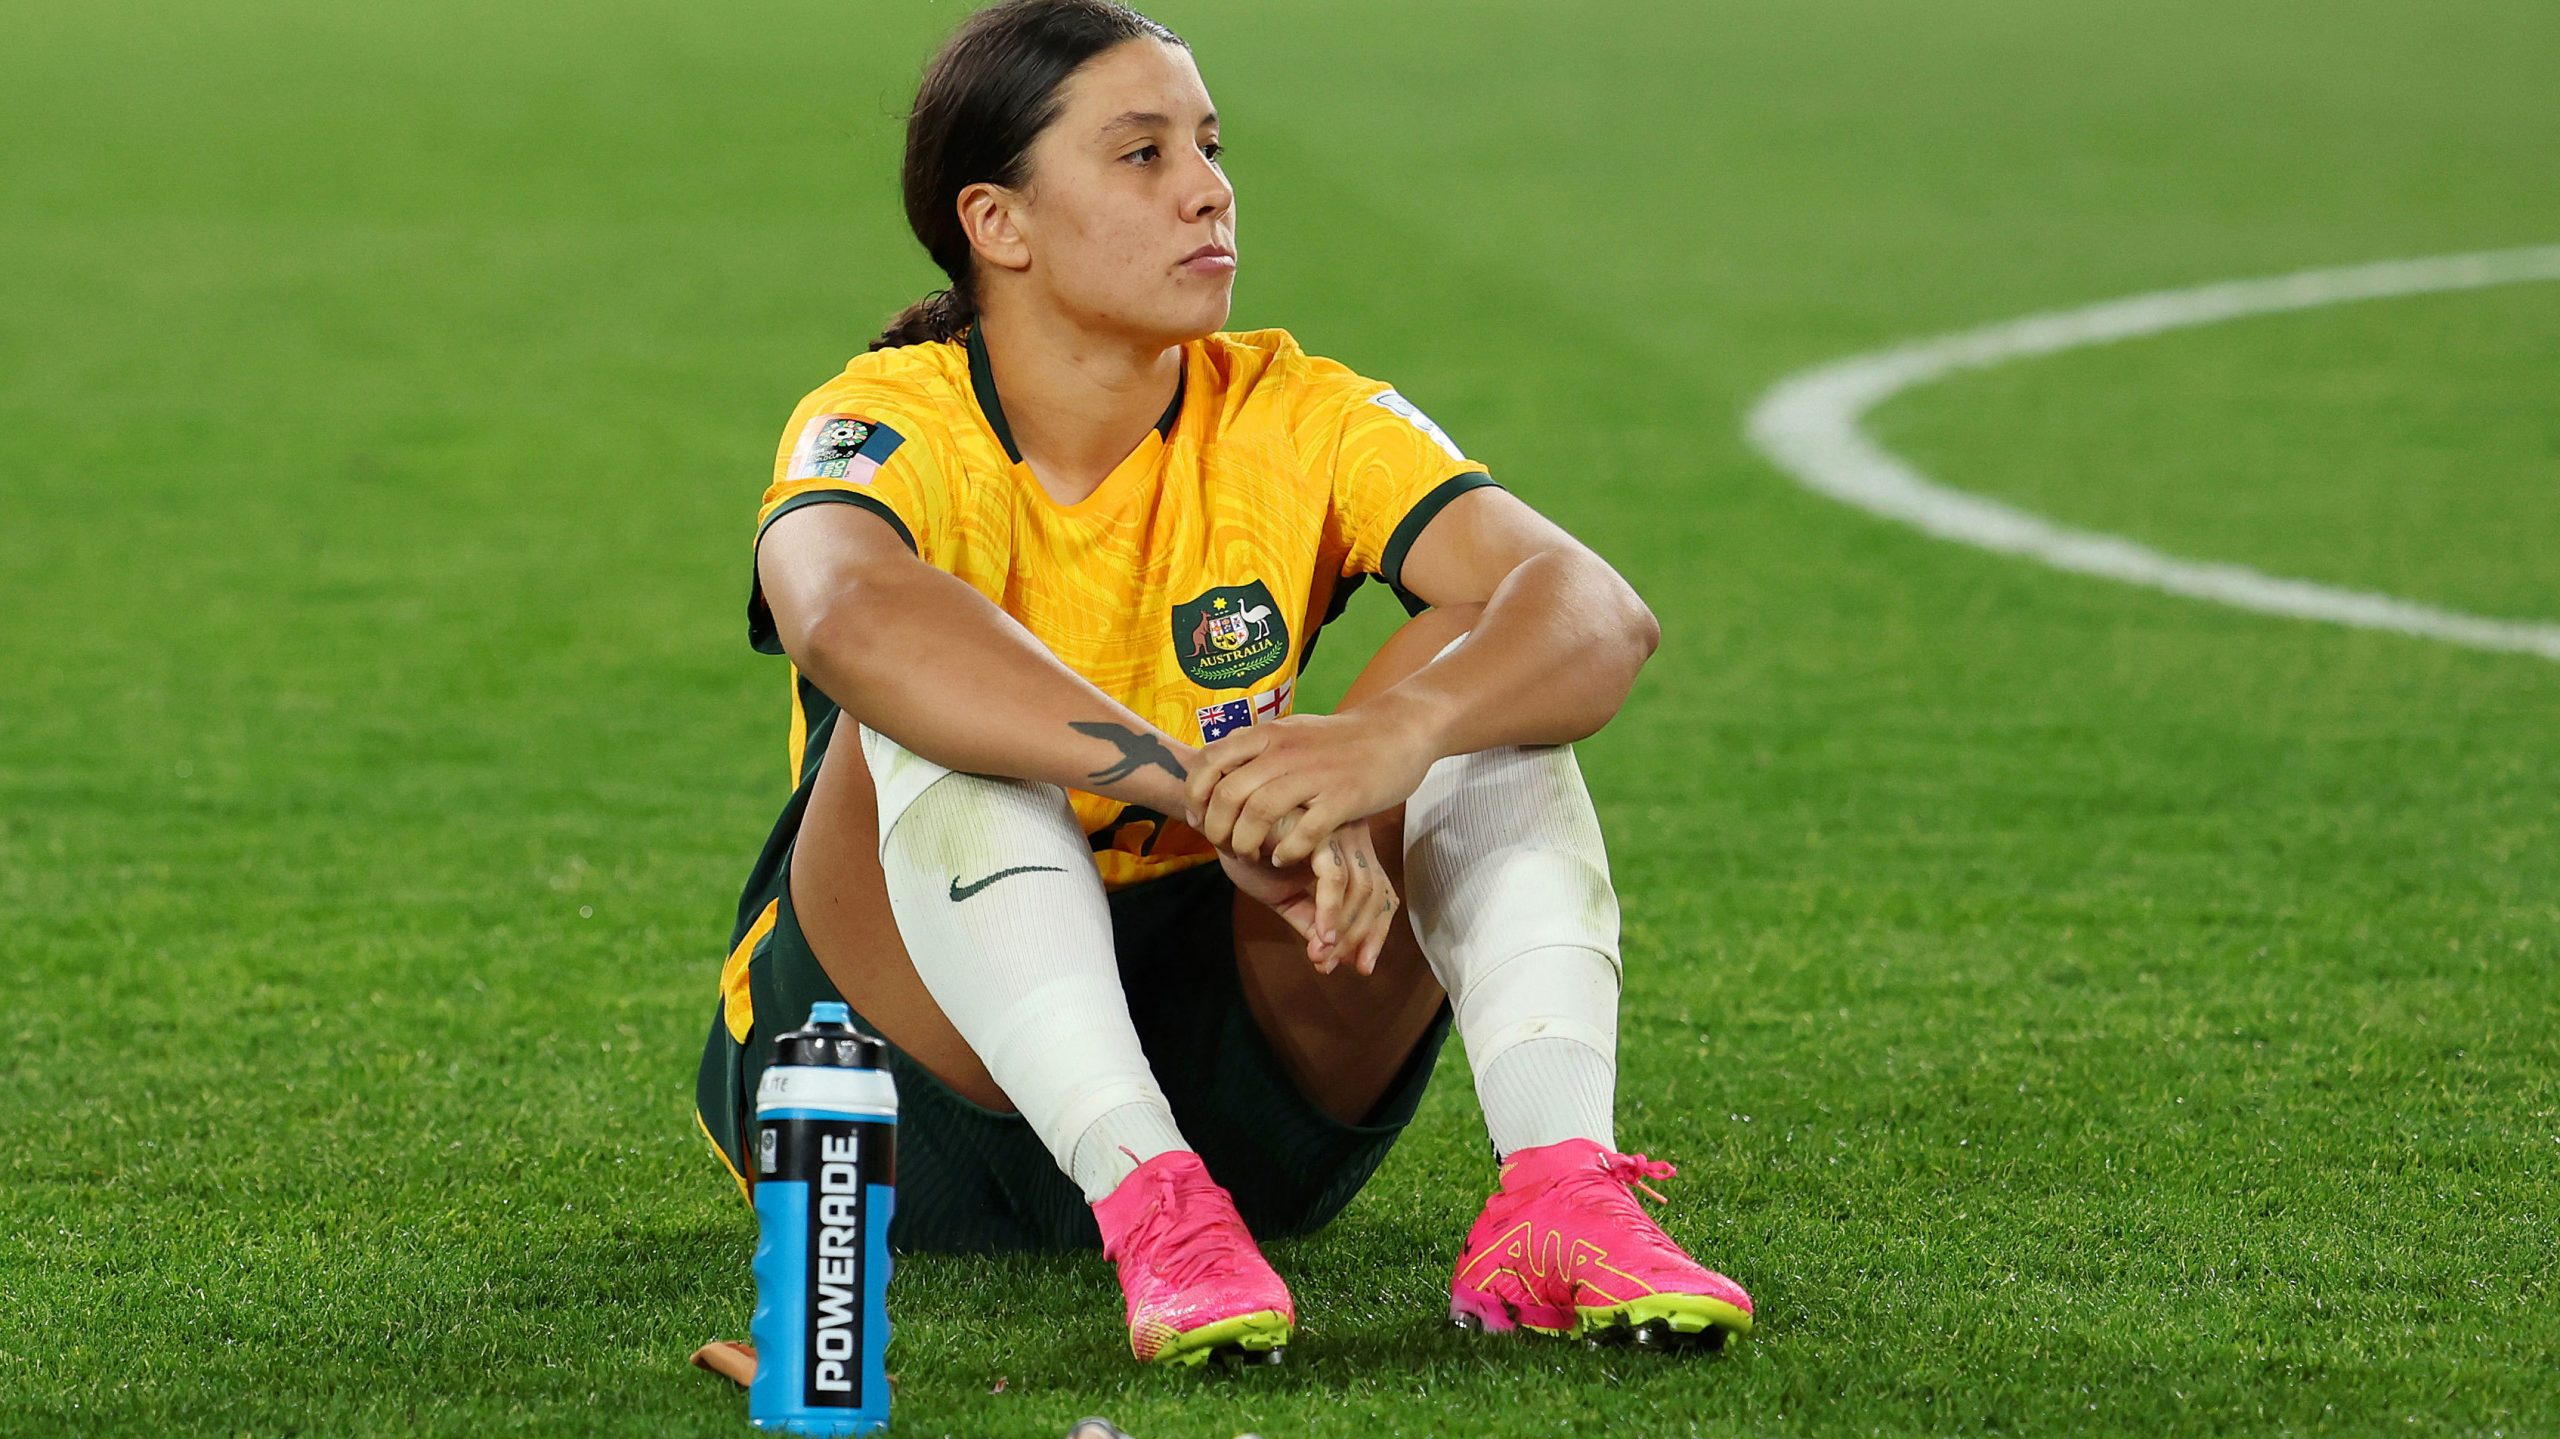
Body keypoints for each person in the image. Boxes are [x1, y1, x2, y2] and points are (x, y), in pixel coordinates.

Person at [693, 0, 1752, 1367]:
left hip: (1240, 1071)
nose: (1208, 190)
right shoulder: (886, 419)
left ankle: (1560, 1197)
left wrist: (1396, 737)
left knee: (1485, 662)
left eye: (1209, 146)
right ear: (998, 223)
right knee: (939, 708)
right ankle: (1148, 1198)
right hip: (899, 1098)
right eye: (1142, 154)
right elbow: (848, 616)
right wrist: (1204, 790)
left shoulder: (1298, 412)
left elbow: (1595, 608)